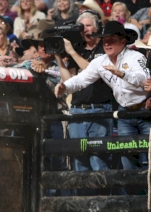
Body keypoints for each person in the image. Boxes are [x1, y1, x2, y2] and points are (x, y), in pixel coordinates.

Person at [55, 21, 148, 173]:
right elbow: (82, 78)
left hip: (145, 111)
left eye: (111, 39)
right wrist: (66, 87)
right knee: (128, 160)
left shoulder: (136, 57)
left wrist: (123, 74)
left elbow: (144, 78)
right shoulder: (100, 62)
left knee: (148, 158)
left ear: (123, 41)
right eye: (104, 40)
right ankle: (131, 196)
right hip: (124, 114)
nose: (107, 43)